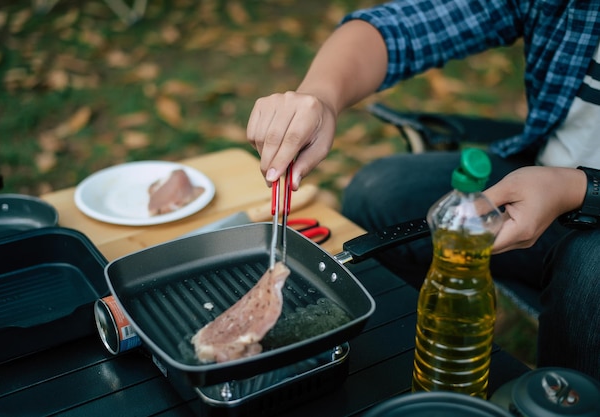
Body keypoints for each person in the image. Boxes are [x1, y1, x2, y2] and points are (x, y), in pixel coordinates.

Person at [246, 0, 600, 379]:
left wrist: (578, 188)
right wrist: (321, 96)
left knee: (588, 268)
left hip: (577, 201)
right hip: (544, 175)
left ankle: (558, 395)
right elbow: (404, 28)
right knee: (379, 190)